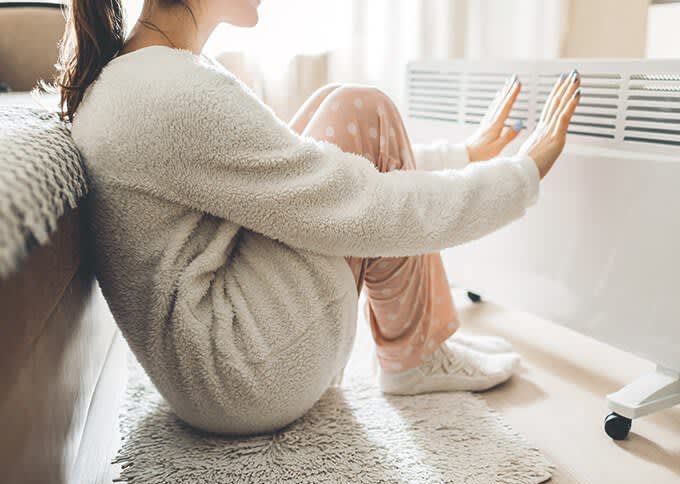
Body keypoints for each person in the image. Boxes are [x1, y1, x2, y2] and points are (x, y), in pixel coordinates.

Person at [61, 0, 581, 435]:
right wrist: (521, 176)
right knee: (363, 107)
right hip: (248, 374)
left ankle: (420, 341)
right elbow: (360, 205)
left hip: (209, 371)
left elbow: (295, 171)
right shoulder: (173, 92)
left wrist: (463, 155)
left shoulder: (142, 76)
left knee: (339, 106)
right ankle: (416, 354)